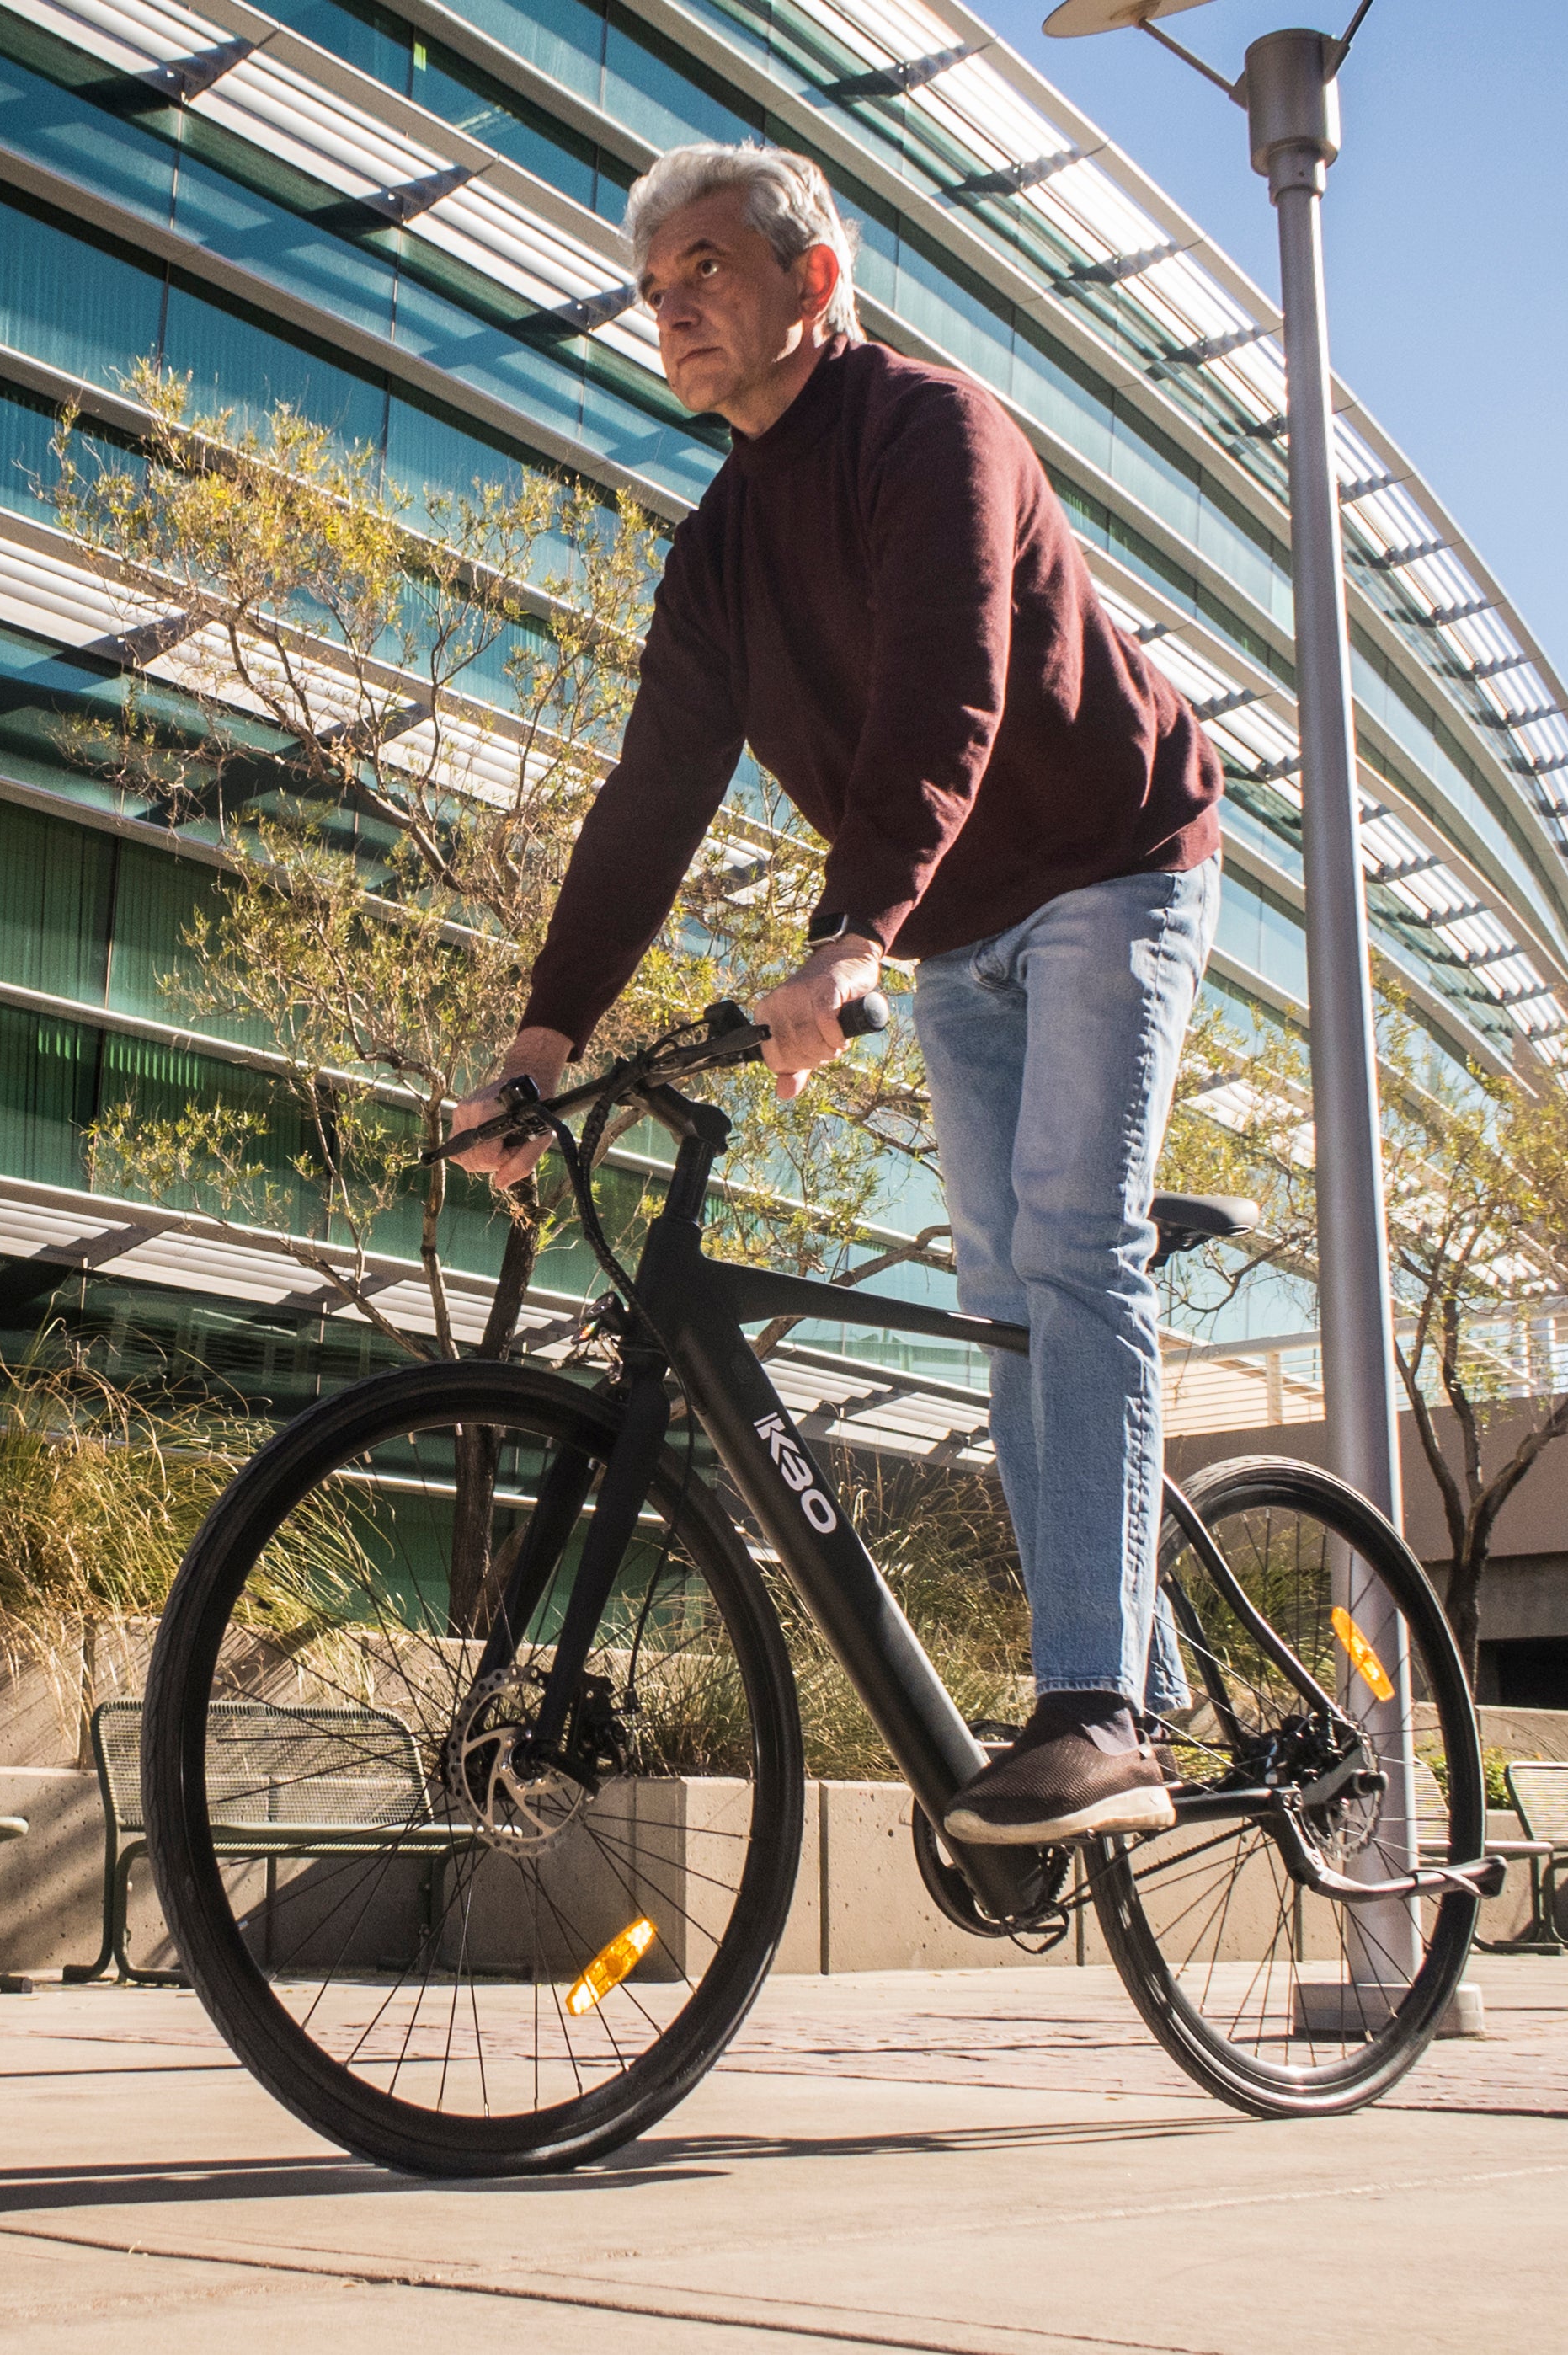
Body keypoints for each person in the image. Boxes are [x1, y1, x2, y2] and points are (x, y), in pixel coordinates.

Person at [446, 143, 1224, 1847]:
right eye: (653, 290)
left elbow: (949, 682)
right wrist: (542, 1041)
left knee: (1067, 1242)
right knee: (998, 1291)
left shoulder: (931, 432)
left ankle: (1096, 1714)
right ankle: (1138, 1683)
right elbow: (653, 793)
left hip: (1113, 864)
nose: (671, 310)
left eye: (706, 270)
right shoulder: (719, 549)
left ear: (814, 278)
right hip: (954, 928)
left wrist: (851, 931)